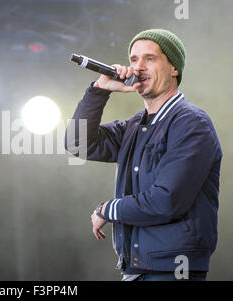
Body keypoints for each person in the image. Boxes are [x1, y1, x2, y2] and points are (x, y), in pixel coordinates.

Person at [65, 29, 222, 281]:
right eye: (134, 59)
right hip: (136, 269)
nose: (138, 67)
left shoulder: (191, 123)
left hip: (172, 272)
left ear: (174, 68)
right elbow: (78, 144)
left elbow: (165, 201)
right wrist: (99, 89)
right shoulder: (135, 126)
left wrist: (108, 209)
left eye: (150, 58)